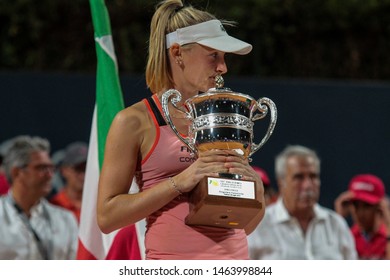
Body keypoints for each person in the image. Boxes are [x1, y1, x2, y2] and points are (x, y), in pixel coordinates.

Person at [96, 0, 265, 260]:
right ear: (177, 53)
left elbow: (246, 225)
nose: (223, 68)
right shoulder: (133, 121)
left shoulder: (220, 117)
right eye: (214, 56)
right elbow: (107, 217)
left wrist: (256, 192)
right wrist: (180, 182)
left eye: (223, 58)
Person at [247, 145, 357, 259]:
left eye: (313, 176)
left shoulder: (336, 225)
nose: (308, 185)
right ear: (281, 182)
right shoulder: (258, 225)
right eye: (299, 177)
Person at [0, 135, 78, 259]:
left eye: (51, 168)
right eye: (41, 168)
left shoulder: (66, 220)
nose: (50, 175)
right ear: (17, 172)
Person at [334, 174, 390, 259]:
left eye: (367, 205)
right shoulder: (348, 237)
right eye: (355, 205)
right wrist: (338, 218)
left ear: (379, 207)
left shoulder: (386, 236)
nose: (360, 213)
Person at [50, 141, 88, 223]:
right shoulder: (54, 206)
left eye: (87, 169)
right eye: (78, 168)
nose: (83, 174)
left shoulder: (99, 204)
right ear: (64, 171)